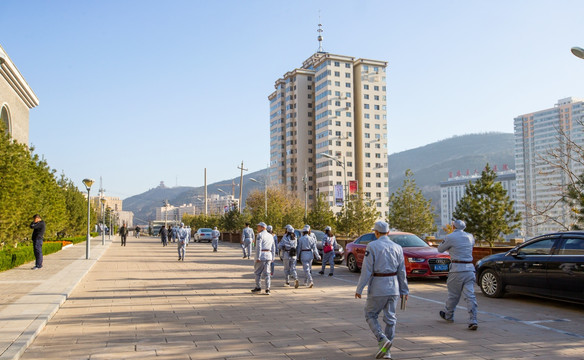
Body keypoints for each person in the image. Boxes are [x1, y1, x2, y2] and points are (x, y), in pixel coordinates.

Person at [355, 221, 409, 360]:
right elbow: (402, 271)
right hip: (394, 286)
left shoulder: (372, 246)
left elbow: (367, 269)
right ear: (388, 232)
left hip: (379, 285)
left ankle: (382, 338)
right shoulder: (398, 247)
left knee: (370, 314)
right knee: (391, 319)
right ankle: (387, 351)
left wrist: (359, 288)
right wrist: (404, 290)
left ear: (376, 233)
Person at [437, 219, 478, 330]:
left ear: (453, 227)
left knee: (453, 295)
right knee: (470, 295)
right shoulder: (470, 236)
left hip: (457, 269)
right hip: (469, 269)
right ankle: (473, 319)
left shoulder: (450, 237)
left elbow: (440, 249)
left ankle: (449, 314)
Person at [251, 222, 276, 295]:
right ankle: (267, 288)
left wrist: (258, 257)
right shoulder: (271, 236)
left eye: (258, 227)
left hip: (261, 254)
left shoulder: (260, 235)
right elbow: (273, 247)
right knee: (267, 273)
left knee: (257, 272)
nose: (257, 228)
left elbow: (258, 247)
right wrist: (273, 257)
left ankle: (258, 287)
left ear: (262, 227)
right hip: (269, 255)